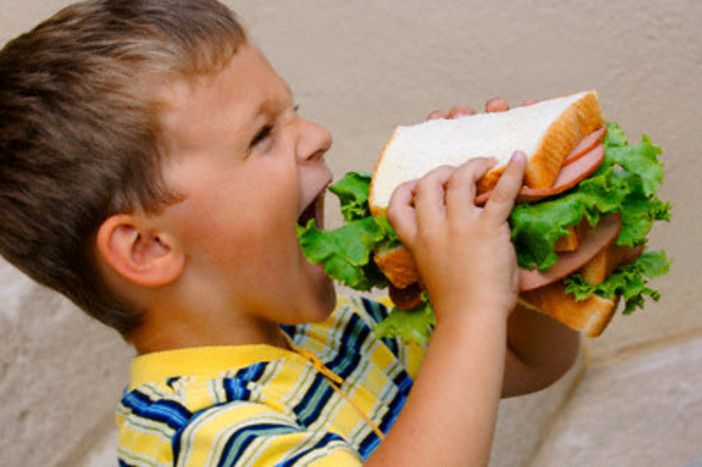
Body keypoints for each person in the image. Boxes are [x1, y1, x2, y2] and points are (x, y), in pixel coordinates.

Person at [0, 1, 580, 465]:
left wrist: (518, 247)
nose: (318, 135)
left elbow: (529, 364)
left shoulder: (335, 326)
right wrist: (470, 307)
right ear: (149, 248)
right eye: (261, 135)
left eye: (294, 110)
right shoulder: (201, 432)